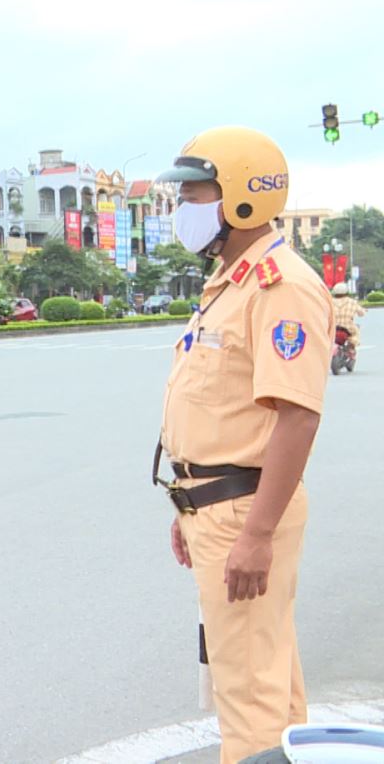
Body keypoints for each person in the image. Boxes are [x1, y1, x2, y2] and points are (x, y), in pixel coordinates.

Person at [153, 127, 333, 763]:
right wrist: (189, 502)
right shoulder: (232, 281)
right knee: (271, 688)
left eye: (196, 193)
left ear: (242, 199)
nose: (183, 209)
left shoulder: (279, 286)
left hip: (245, 513)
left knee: (249, 698)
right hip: (219, 506)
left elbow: (297, 418)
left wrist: (254, 533)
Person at [331, 282, 364, 351]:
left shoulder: (330, 302)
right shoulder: (352, 302)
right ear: (346, 292)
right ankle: (352, 347)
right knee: (355, 333)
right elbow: (361, 314)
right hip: (348, 328)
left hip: (333, 328)